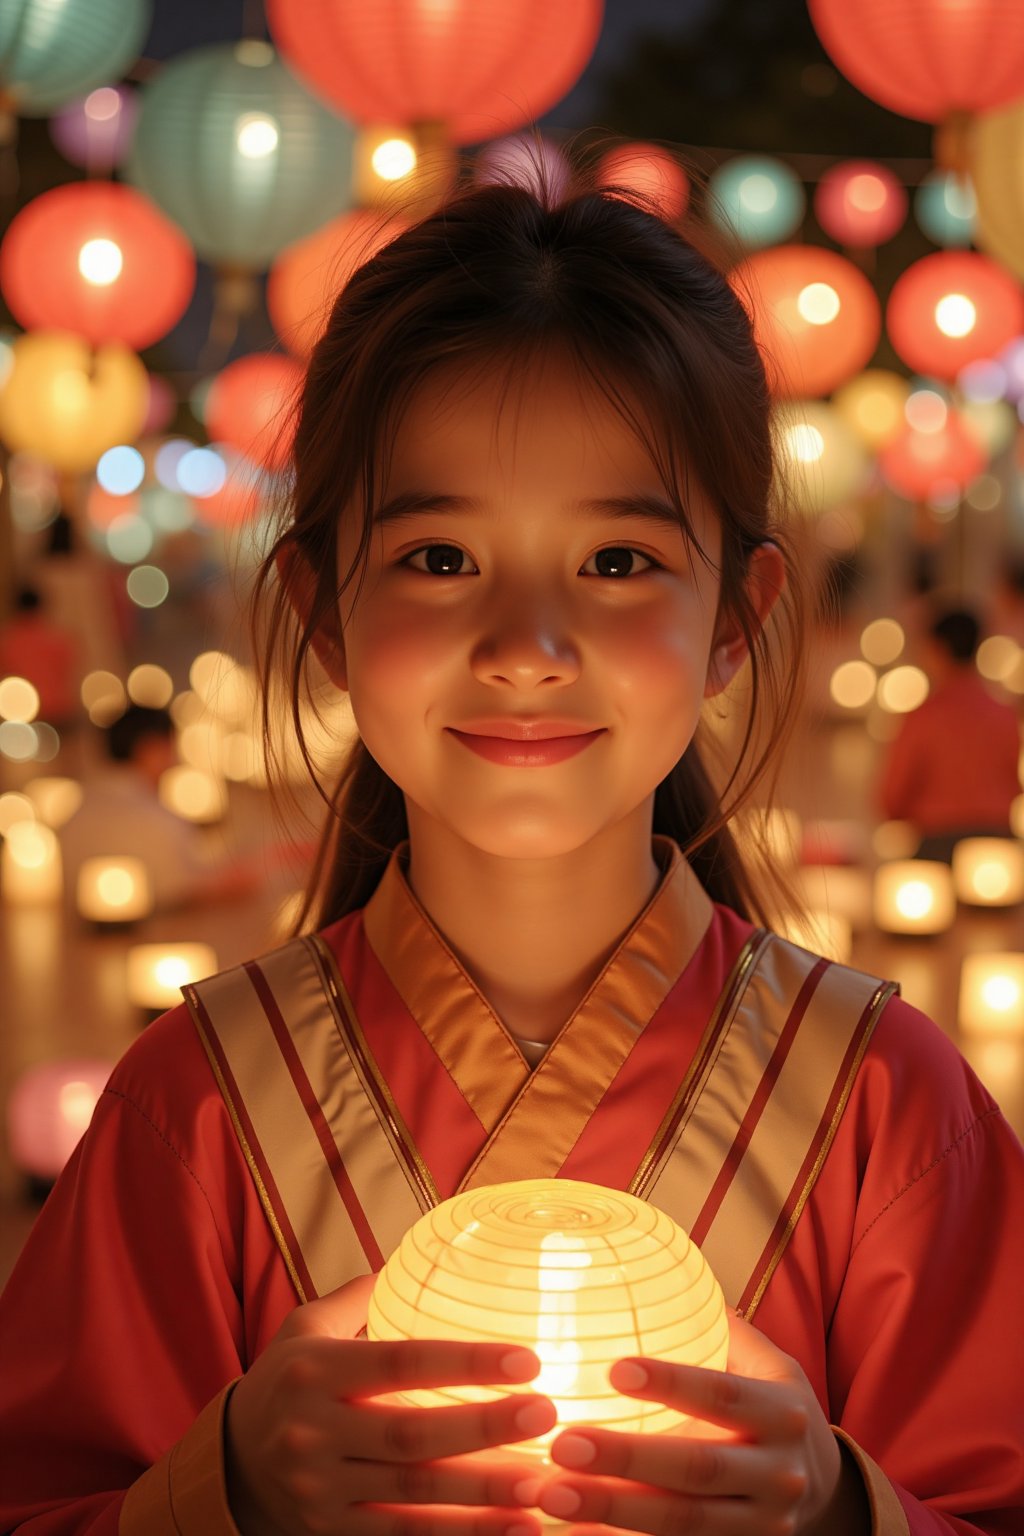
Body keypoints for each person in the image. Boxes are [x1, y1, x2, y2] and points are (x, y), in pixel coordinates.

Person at [0, 173, 1021, 1536]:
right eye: (437, 557)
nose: (526, 648)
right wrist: (226, 1484)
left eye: (615, 562)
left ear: (737, 614)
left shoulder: (888, 1111)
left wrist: (842, 1509)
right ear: (321, 607)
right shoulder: (196, 1110)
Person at [58, 703, 262, 913]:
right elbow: (184, 893)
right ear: (150, 749)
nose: (174, 760)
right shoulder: (155, 819)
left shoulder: (76, 813)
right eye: (171, 748)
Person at [877, 605, 1021, 861]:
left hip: (937, 844)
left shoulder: (923, 717)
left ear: (937, 649)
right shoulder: (1004, 715)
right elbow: (1014, 782)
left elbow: (892, 796)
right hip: (997, 845)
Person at [0, 583, 79, 730]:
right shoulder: (59, 638)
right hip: (59, 710)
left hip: (21, 712)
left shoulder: (8, 640)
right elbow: (68, 672)